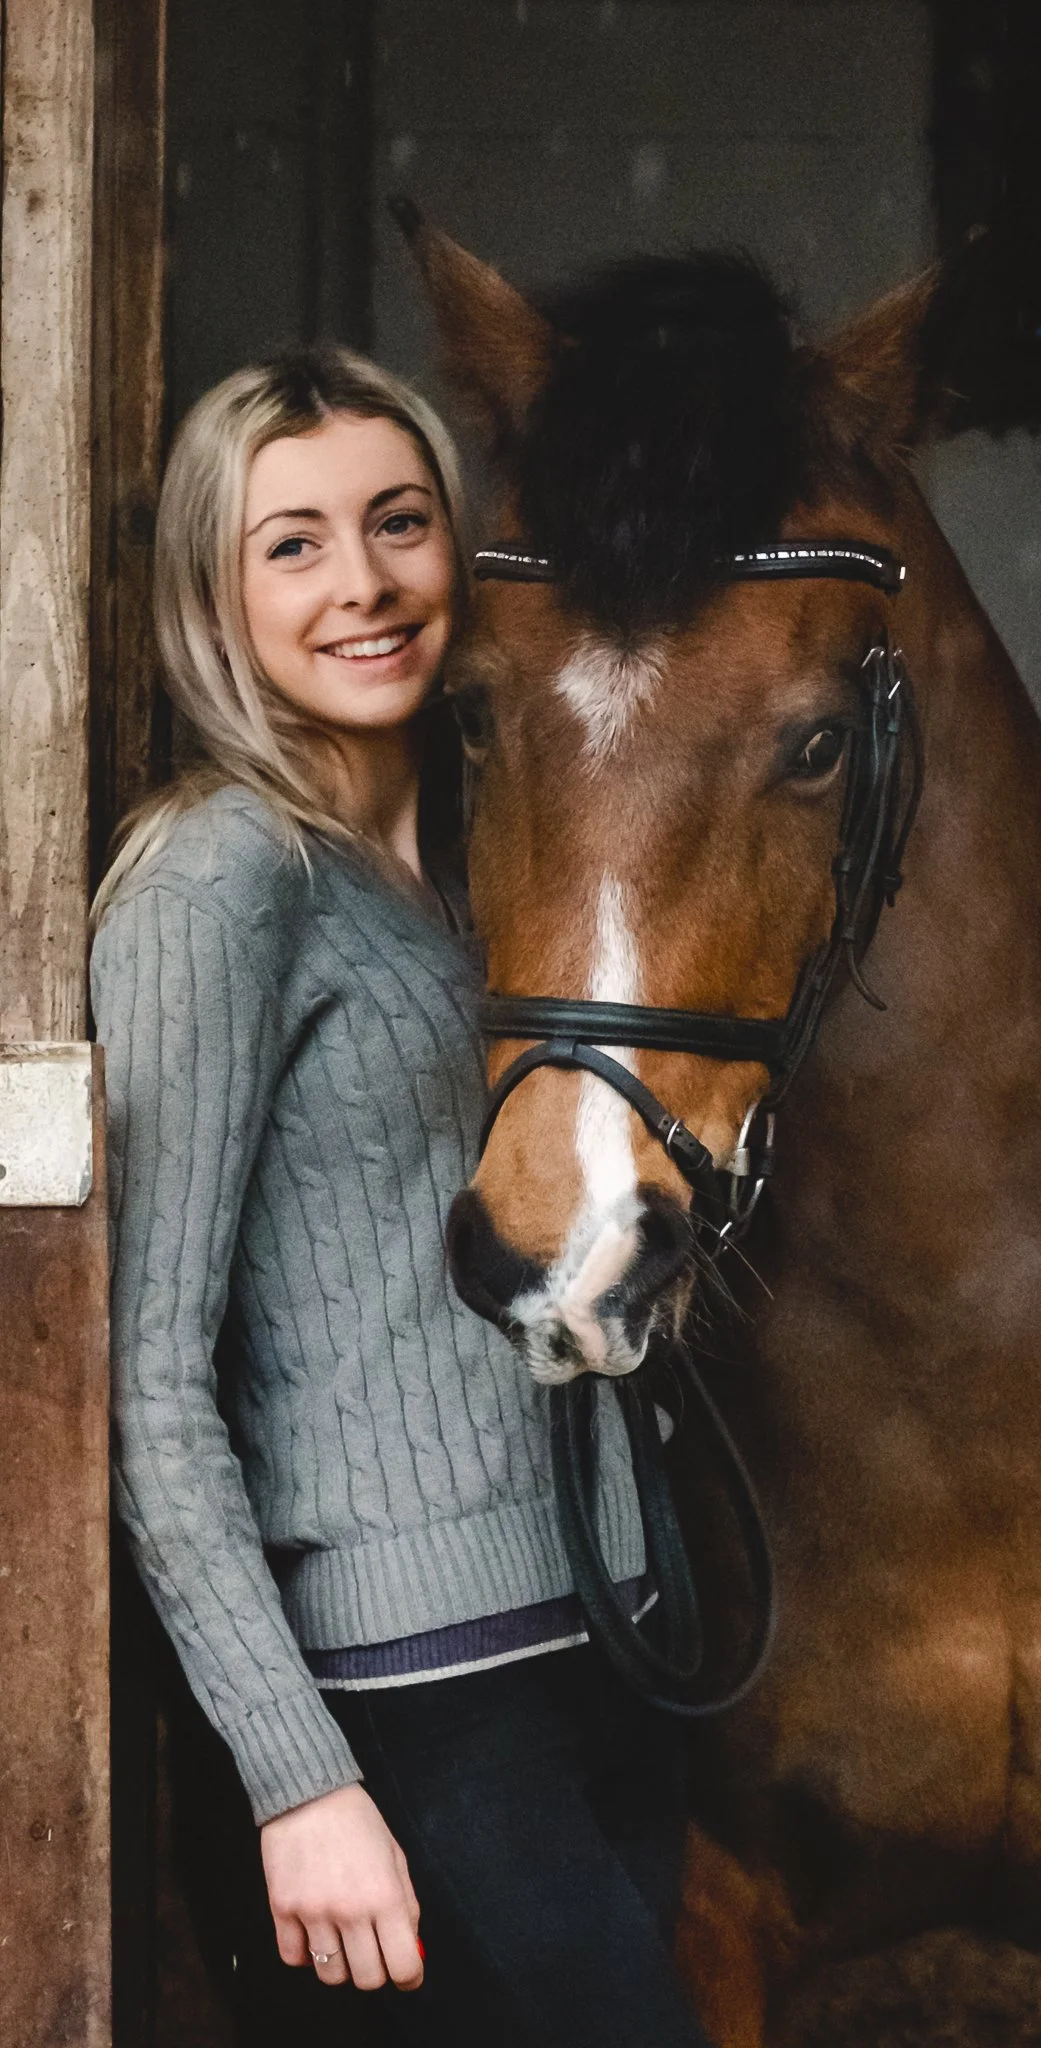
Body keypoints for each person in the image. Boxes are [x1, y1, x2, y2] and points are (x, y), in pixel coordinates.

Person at [90, 347, 711, 2047]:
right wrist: (299, 1783)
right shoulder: (225, 880)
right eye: (292, 545)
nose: (362, 583)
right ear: (214, 594)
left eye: (398, 522)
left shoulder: (506, 853)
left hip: (610, 1619)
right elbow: (145, 1384)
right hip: (416, 1691)